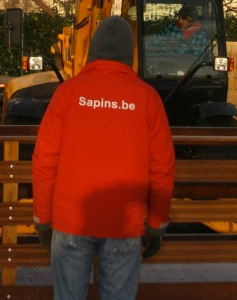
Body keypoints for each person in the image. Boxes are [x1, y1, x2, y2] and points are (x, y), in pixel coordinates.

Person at [32, 16, 175, 300]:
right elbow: (162, 169)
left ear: (92, 51)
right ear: (129, 55)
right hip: (124, 223)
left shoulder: (67, 94)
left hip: (71, 221)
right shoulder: (147, 99)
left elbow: (44, 161)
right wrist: (157, 224)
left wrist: (43, 220)